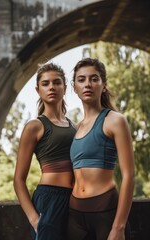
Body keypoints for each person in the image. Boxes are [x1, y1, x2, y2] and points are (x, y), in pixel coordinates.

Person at [66, 58, 134, 240]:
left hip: (105, 211)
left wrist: (119, 227)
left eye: (94, 79)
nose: (87, 84)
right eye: (81, 79)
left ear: (103, 85)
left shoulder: (115, 120)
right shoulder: (76, 127)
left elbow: (129, 175)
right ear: (74, 87)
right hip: (74, 214)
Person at [14, 62, 76, 240]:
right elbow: (18, 180)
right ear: (38, 90)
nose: (52, 87)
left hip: (75, 201)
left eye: (57, 83)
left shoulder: (74, 126)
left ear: (64, 88)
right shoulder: (35, 126)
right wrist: (34, 219)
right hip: (49, 200)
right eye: (46, 83)